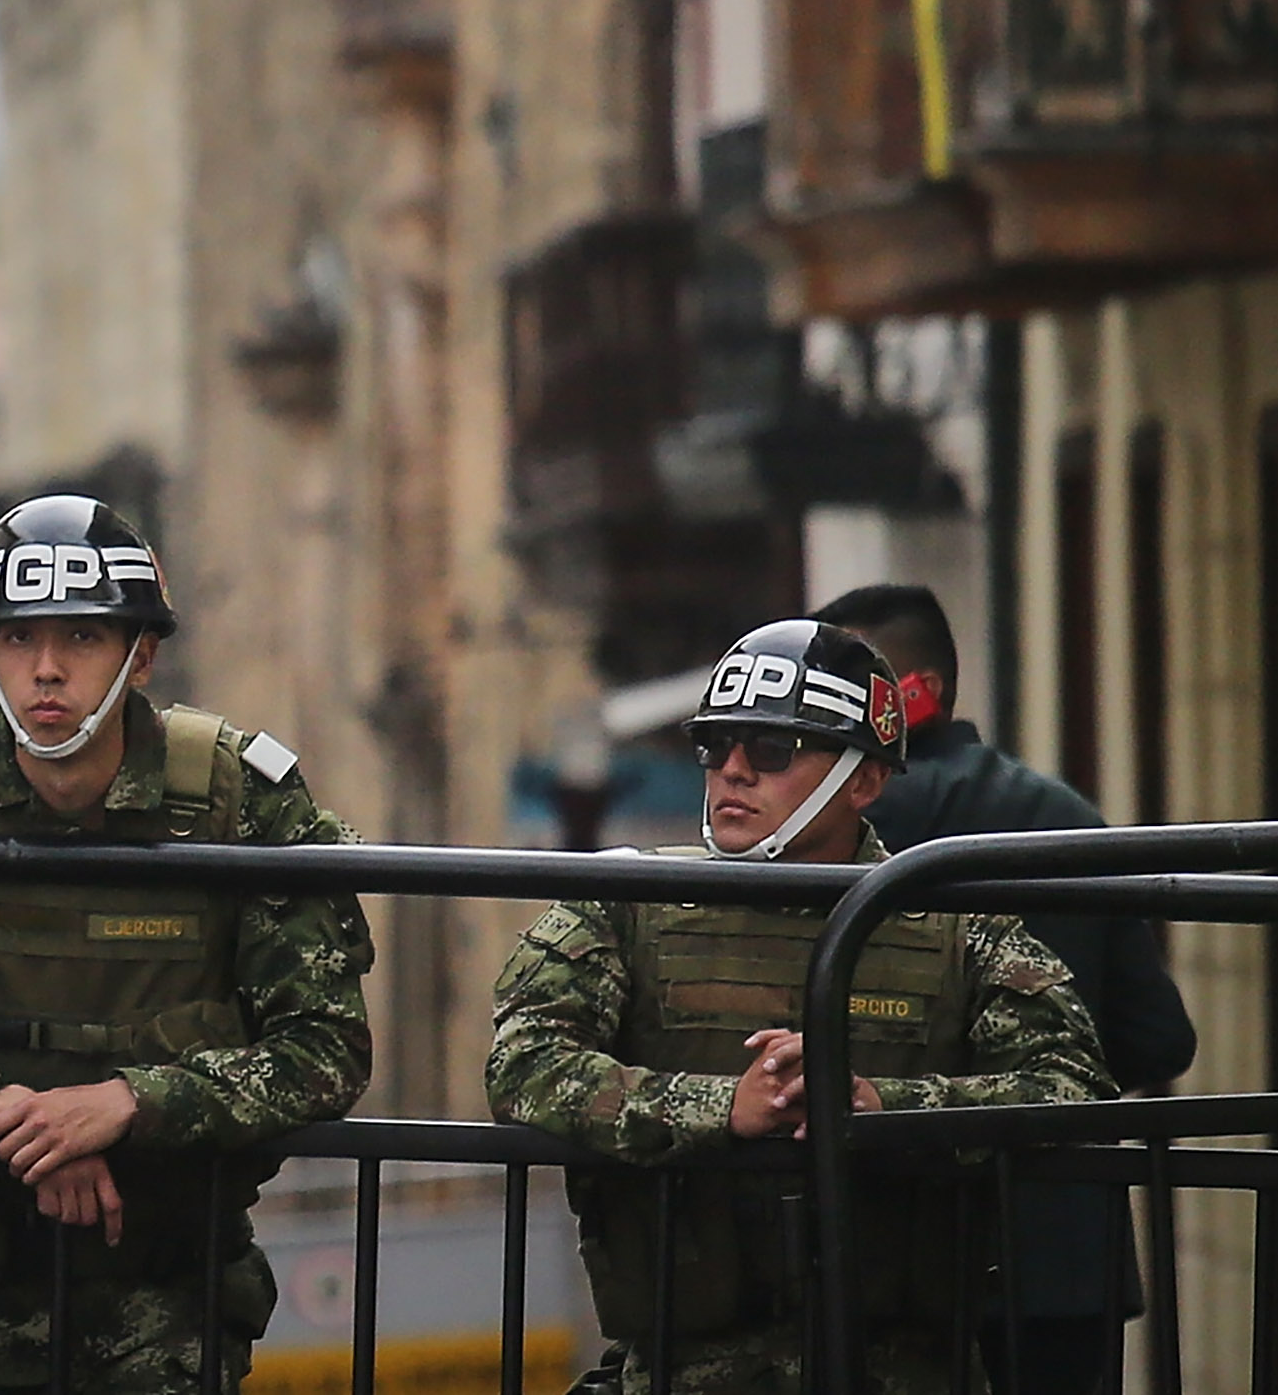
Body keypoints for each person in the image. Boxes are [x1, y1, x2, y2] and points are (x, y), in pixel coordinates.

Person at [0, 496, 372, 1394]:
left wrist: (130, 1104)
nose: (46, 673)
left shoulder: (242, 800)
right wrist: (2, 1111)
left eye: (82, 640)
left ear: (142, 654)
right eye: (15, 641)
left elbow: (326, 1046)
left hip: (172, 1284)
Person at [488, 619, 1114, 1394]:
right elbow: (523, 1064)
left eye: (773, 751)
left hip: (908, 1371)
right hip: (684, 1369)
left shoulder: (956, 924)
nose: (732, 774)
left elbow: (1073, 1084)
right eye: (716, 747)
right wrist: (722, 1110)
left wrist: (876, 1106)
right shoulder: (628, 903)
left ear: (865, 780)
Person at [820, 581, 1195, 1395]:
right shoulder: (1064, 819)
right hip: (1060, 1256)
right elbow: (1161, 1038)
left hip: (884, 1258)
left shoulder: (831, 837)